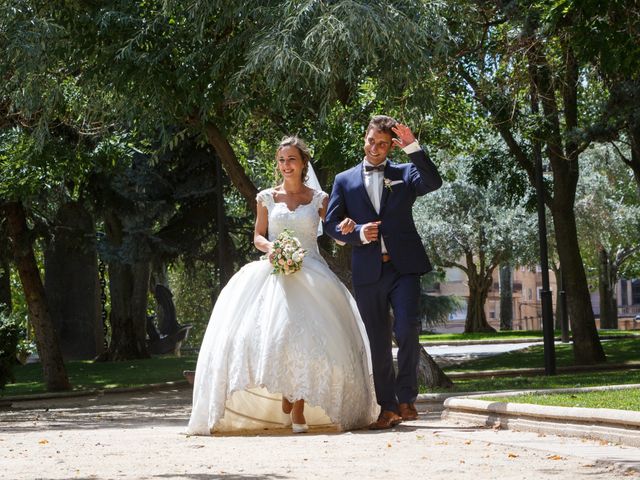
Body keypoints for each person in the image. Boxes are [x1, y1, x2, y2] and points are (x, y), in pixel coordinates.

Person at [187, 136, 378, 435]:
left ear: (303, 163)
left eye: (292, 159)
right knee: (272, 336)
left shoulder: (320, 198)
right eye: (281, 160)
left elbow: (333, 233)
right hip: (273, 270)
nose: (286, 165)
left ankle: (298, 405)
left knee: (306, 339)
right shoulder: (265, 197)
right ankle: (288, 395)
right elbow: (259, 236)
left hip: (312, 273)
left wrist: (345, 230)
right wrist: (272, 249)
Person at [324, 115, 443, 430]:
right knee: (377, 341)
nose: (375, 148)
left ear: (391, 144)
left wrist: (413, 148)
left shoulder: (405, 173)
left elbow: (433, 182)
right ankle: (387, 408)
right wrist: (357, 232)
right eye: (370, 141)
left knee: (407, 329)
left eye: (382, 143)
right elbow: (331, 224)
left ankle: (407, 398)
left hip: (404, 267)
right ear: (364, 139)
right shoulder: (344, 180)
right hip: (368, 272)